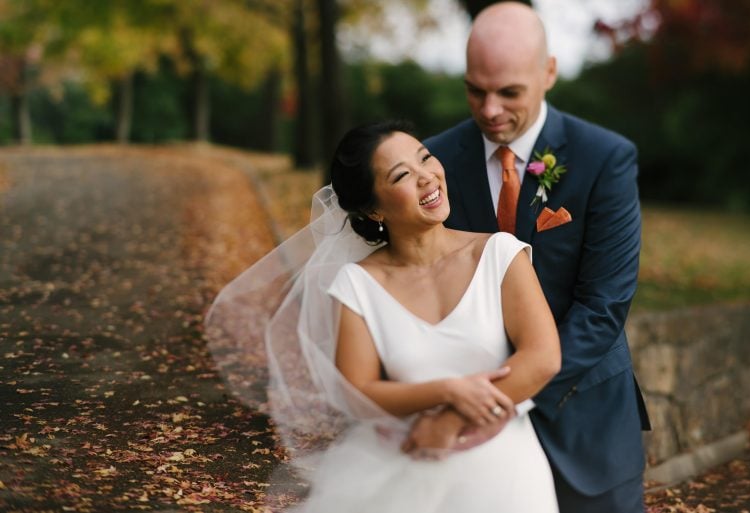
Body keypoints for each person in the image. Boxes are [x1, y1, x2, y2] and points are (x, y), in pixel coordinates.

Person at [206, 120, 562, 512]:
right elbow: (359, 392)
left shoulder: (499, 254)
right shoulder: (357, 284)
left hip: (504, 473)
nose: (427, 177)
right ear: (374, 208)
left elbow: (542, 358)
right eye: (402, 175)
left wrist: (449, 420)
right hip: (404, 474)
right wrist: (448, 391)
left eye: (425, 158)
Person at [419, 3, 652, 512]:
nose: (489, 109)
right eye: (475, 90)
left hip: (585, 426)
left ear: (548, 72)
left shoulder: (606, 159)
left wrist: (505, 395)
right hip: (465, 435)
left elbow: (603, 306)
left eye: (508, 92)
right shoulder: (433, 160)